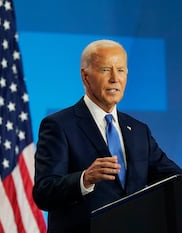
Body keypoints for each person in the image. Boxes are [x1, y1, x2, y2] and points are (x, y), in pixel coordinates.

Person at [32, 39, 182, 233]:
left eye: (120, 70)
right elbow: (44, 192)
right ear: (85, 77)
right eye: (105, 70)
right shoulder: (59, 125)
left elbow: (174, 179)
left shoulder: (138, 130)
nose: (114, 78)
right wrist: (85, 179)